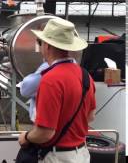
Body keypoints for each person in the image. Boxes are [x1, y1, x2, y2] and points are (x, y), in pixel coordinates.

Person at [18, 18, 96, 163]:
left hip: (57, 156)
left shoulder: (50, 80)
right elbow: (90, 116)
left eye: (40, 43)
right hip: (82, 154)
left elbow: (45, 133)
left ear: (47, 46)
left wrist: (26, 136)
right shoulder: (86, 76)